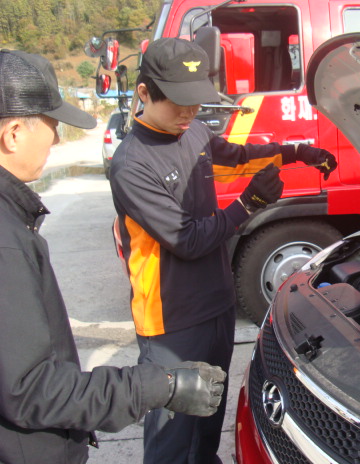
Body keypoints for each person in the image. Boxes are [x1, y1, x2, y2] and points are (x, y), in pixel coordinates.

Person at [108, 37, 337, 463]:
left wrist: (295, 152)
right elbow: (187, 239)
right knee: (173, 436)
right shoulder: (131, 164)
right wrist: (248, 204)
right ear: (144, 93)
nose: (189, 112)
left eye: (196, 101)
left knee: (209, 415)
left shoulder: (193, 130)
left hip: (215, 303)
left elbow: (238, 157)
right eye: (179, 102)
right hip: (171, 319)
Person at [0, 48, 227, 464]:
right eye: (52, 125)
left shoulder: (14, 220)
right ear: (13, 134)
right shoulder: (6, 243)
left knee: (203, 436)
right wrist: (155, 386)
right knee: (172, 445)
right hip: (169, 321)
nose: (56, 139)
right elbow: (30, 389)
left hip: (212, 306)